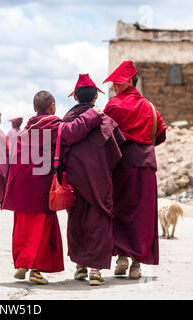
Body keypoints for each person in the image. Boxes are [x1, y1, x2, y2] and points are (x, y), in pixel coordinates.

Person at [1, 90, 103, 285]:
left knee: (23, 225)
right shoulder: (52, 125)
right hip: (39, 184)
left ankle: (22, 263)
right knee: (41, 226)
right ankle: (35, 270)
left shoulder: (27, 129)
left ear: (34, 109)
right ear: (53, 107)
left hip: (20, 184)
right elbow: (74, 131)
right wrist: (93, 114)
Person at [103, 61, 167, 279]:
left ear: (130, 81)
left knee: (120, 209)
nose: (113, 86)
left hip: (121, 165)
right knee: (142, 213)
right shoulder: (150, 107)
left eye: (117, 82)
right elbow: (160, 135)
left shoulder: (114, 105)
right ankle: (136, 264)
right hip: (147, 165)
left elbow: (104, 136)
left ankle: (121, 257)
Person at [63, 74, 126, 285]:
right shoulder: (105, 120)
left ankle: (80, 267)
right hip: (99, 181)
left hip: (74, 182)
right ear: (94, 99)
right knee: (98, 223)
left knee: (77, 221)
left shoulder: (66, 121)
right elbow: (118, 151)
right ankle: (95, 271)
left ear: (75, 98)